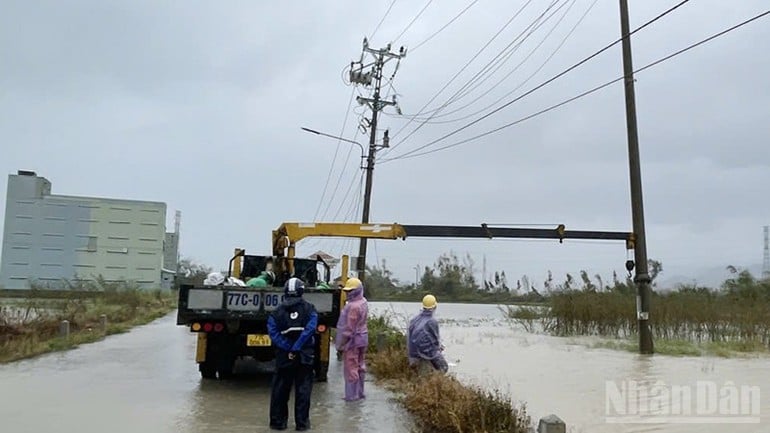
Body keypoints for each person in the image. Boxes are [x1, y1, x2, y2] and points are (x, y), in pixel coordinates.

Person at [267, 277, 318, 431]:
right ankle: (302, 424)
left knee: (280, 390)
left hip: (284, 356)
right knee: (303, 391)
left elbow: (273, 334)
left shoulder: (275, 313)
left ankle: (278, 423)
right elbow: (310, 330)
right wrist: (297, 347)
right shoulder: (311, 309)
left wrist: (288, 348)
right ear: (302, 291)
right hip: (304, 355)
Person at [334, 277, 369, 401]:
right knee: (360, 365)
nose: (348, 293)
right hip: (363, 338)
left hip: (352, 342)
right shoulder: (364, 302)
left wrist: (341, 344)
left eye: (350, 291)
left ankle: (351, 395)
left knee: (351, 367)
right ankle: (360, 393)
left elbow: (348, 328)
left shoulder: (352, 307)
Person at [407, 294, 448, 374]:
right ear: (435, 306)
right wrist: (439, 348)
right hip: (425, 353)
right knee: (444, 367)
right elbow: (435, 340)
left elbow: (409, 337)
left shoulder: (415, 319)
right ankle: (433, 379)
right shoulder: (432, 321)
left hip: (412, 354)